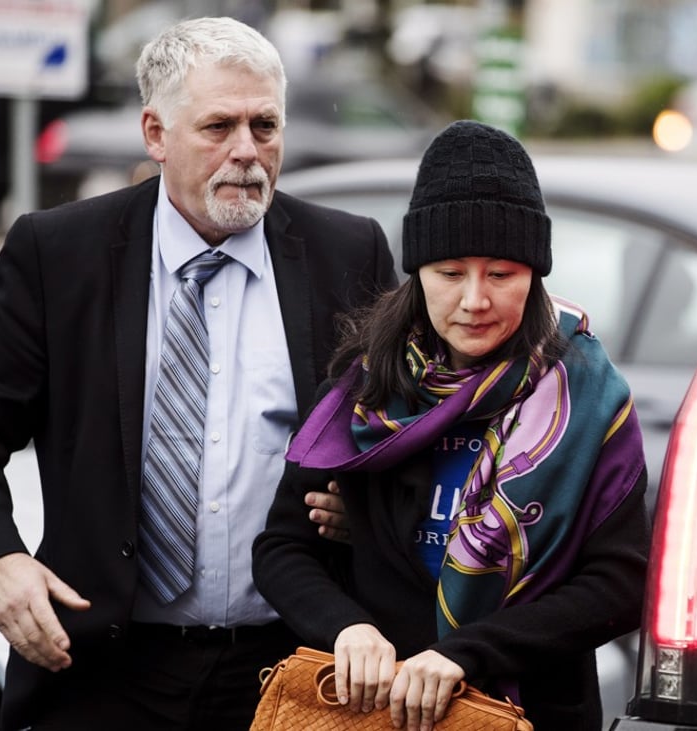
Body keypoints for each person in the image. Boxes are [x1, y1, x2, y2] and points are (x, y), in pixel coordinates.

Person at [0, 16, 396, 731]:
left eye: (265, 125)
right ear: (155, 133)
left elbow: (404, 435)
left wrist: (370, 514)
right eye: (218, 127)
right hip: (103, 668)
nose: (247, 153)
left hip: (288, 668)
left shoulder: (346, 253)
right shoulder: (60, 254)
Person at [252, 120, 650, 731]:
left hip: (527, 710)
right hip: (373, 713)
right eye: (449, 272)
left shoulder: (587, 398)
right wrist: (348, 628)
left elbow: (619, 584)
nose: (474, 300)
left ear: (535, 274)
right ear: (417, 273)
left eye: (501, 273)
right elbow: (283, 547)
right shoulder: (366, 389)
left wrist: (465, 654)